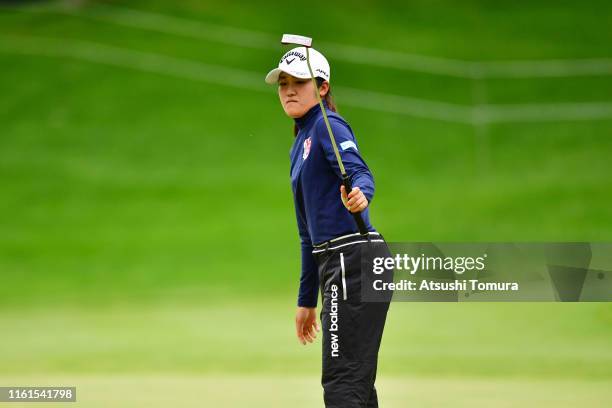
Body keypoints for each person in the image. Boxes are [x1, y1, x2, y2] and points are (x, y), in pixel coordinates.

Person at [265, 46, 393, 407]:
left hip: (353, 260)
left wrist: (361, 195)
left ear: (322, 88)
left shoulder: (327, 125)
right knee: (356, 385)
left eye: (299, 82)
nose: (289, 90)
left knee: (343, 382)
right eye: (283, 83)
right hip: (337, 262)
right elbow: (307, 234)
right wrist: (307, 300)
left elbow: (359, 172)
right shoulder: (300, 145)